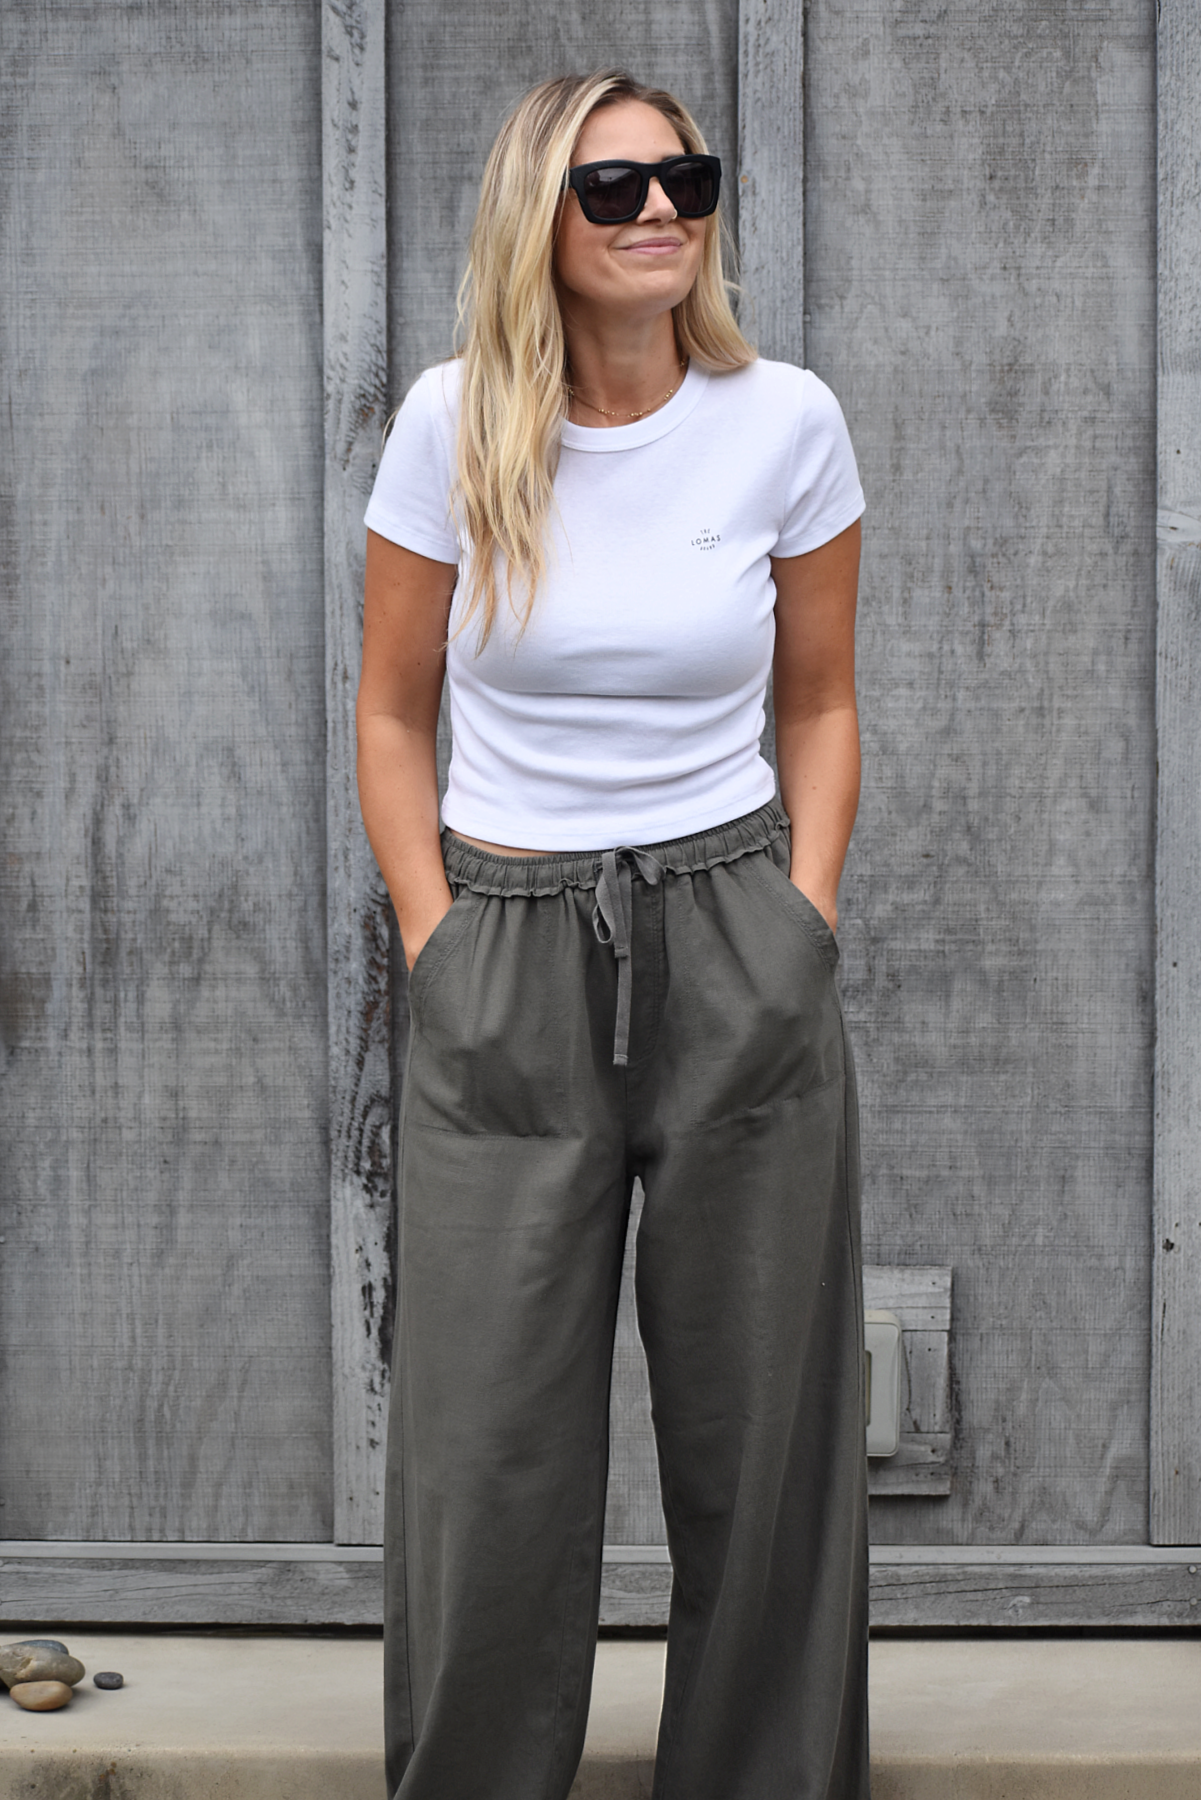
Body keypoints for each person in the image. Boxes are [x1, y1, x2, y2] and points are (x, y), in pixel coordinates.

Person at [357, 67, 869, 1800]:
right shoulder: (452, 424)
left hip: (734, 928)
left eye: (685, 181)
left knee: (763, 1421)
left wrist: (799, 921)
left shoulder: (785, 419)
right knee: (490, 1442)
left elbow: (818, 703)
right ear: (542, 224)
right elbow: (389, 715)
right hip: (504, 938)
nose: (663, 213)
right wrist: (435, 940)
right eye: (616, 191)